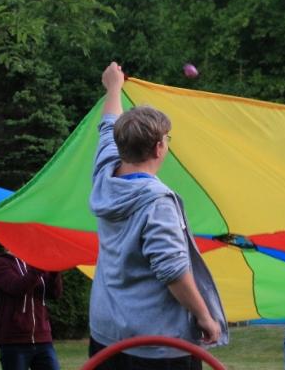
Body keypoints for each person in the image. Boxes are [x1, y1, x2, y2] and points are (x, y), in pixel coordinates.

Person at [87, 62, 228, 369]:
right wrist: (205, 317)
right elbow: (173, 270)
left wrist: (113, 87)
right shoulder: (156, 203)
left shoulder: (105, 174)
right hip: (155, 347)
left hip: (107, 338)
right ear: (158, 147)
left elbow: (108, 124)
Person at [0, 251, 64, 370]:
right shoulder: (0, 263)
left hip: (43, 339)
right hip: (15, 341)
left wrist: (54, 271)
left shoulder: (34, 262)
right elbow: (16, 287)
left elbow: (55, 293)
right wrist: (39, 267)